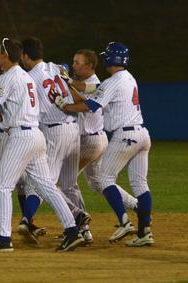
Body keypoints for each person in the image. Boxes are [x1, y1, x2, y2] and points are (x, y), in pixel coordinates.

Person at [0, 38, 84, 252]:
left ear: (6, 56)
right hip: (35, 135)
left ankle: (3, 238)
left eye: (0, 55)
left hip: (21, 136)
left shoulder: (7, 77)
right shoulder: (25, 77)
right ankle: (72, 230)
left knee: (2, 186)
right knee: (46, 186)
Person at [55, 42, 154, 247]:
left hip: (125, 135)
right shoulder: (128, 78)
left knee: (104, 178)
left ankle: (124, 221)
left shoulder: (112, 81)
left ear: (111, 59)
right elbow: (92, 88)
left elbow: (91, 105)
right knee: (140, 185)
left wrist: (65, 105)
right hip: (142, 134)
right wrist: (71, 82)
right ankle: (144, 231)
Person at [20, 37, 91, 243]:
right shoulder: (55, 67)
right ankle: (84, 228)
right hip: (73, 129)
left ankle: (28, 219)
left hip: (54, 131)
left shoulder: (28, 77)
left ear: (25, 56)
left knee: (42, 182)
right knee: (69, 185)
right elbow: (69, 82)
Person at [69, 49, 138, 243]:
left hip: (89, 142)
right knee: (98, 183)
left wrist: (66, 87)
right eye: (73, 62)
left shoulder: (99, 83)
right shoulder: (93, 84)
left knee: (66, 181)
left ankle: (82, 228)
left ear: (90, 66)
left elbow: (86, 92)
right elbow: (81, 91)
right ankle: (137, 205)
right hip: (96, 140)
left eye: (78, 62)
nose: (74, 65)